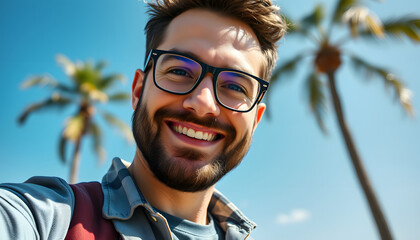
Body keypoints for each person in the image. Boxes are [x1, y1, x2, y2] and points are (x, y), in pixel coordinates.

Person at [0, 0, 286, 239]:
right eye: (179, 71)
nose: (202, 104)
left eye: (236, 87)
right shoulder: (48, 218)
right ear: (138, 91)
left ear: (256, 120)